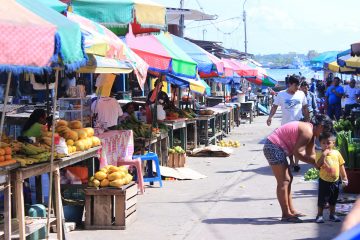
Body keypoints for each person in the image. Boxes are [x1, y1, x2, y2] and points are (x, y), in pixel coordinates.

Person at [263, 114, 333, 223]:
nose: (324, 134)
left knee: (288, 179)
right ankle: (286, 214)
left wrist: (323, 166)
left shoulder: (311, 133)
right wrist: (316, 163)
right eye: (325, 130)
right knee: (284, 180)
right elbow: (298, 153)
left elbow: (311, 155)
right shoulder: (308, 131)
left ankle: (291, 210)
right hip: (273, 146)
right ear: (321, 126)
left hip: (276, 147)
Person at [267, 75, 310, 172]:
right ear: (290, 84)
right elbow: (274, 107)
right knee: (289, 145)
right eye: (295, 85)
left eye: (298, 85)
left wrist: (308, 121)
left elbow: (305, 108)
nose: (297, 88)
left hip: (299, 124)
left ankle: (297, 163)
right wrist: (270, 117)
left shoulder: (301, 94)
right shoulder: (281, 94)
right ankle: (291, 162)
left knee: (298, 145)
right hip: (286, 125)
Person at [315, 132, 348, 223]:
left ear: (333, 143)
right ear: (320, 144)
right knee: (322, 199)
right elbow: (318, 165)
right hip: (324, 181)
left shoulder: (337, 153)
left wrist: (344, 178)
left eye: (328, 143)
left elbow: (341, 166)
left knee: (333, 199)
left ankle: (332, 215)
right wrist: (324, 155)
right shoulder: (319, 154)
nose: (326, 145)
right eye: (323, 143)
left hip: (335, 181)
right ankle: (319, 215)